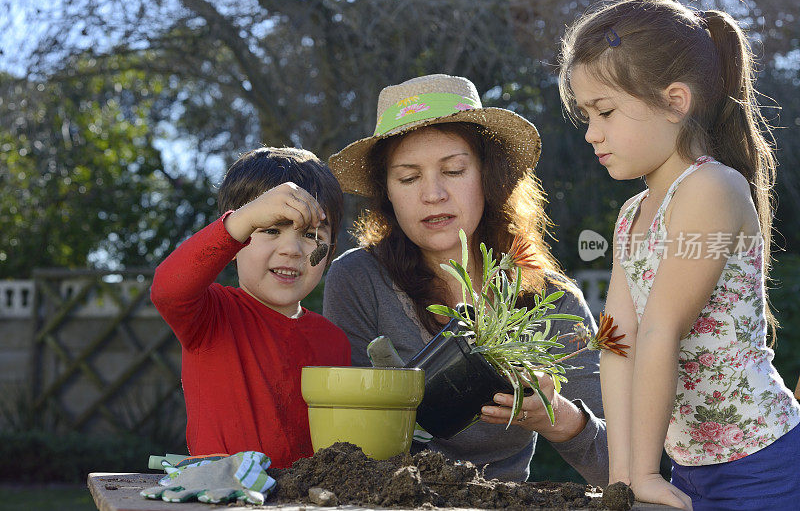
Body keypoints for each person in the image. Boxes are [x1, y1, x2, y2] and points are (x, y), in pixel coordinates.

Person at [558, 0, 800, 510]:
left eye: (605, 111)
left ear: (674, 101)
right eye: (586, 116)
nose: (592, 134)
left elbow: (661, 328)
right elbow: (616, 341)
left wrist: (644, 470)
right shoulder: (631, 214)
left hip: (760, 461)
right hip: (687, 466)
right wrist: (624, 476)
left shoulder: (712, 188)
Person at [323, 73, 608, 484]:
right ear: (387, 193)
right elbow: (343, 444)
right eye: (408, 177)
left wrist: (558, 416)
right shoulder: (358, 279)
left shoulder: (553, 299)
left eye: (454, 170)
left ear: (489, 177)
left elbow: (622, 465)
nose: (433, 193)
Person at [150, 147, 351, 469]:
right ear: (235, 243)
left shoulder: (334, 341)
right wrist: (241, 220)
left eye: (312, 235)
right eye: (270, 229)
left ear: (331, 249)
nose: (291, 249)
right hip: (225, 499)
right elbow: (167, 289)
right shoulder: (212, 314)